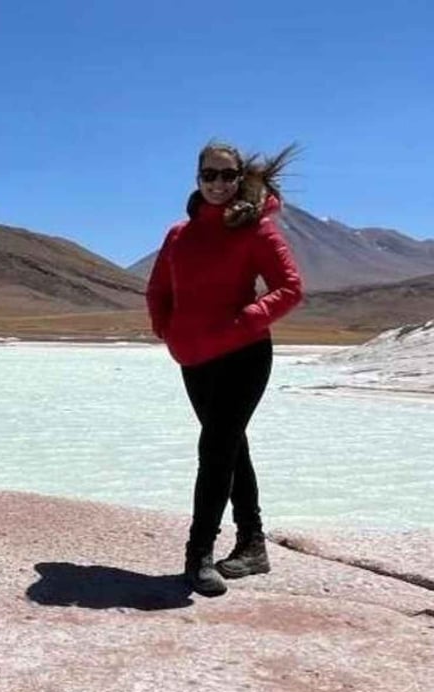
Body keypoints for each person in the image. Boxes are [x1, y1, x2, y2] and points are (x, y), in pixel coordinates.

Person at [146, 141, 304, 596]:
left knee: (216, 447)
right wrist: (166, 327)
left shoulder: (256, 232)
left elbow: (289, 287)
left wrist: (248, 320)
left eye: (226, 175)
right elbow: (158, 288)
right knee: (231, 445)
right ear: (197, 179)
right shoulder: (179, 235)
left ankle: (199, 555)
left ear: (239, 180)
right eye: (209, 175)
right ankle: (253, 543)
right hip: (194, 358)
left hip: (243, 355)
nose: (217, 183)